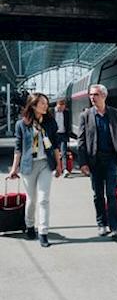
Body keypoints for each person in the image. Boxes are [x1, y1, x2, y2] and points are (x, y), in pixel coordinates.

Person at [78, 84, 117, 239]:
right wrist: (82, 163)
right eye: (90, 95)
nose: (92, 97)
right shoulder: (86, 115)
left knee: (112, 194)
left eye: (95, 94)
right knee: (98, 195)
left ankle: (114, 227)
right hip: (94, 161)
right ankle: (101, 224)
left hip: (111, 160)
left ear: (104, 95)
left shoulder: (115, 113)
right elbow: (81, 141)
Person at [8, 93, 62, 248]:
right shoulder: (21, 124)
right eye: (42, 103)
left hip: (46, 164)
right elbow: (18, 149)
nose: (46, 105)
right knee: (31, 200)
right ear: (33, 105)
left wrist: (59, 165)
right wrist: (14, 169)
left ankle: (43, 233)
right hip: (28, 166)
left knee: (44, 199)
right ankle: (30, 225)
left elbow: (56, 145)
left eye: (46, 103)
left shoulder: (50, 123)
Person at [54, 98, 71, 176]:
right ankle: (55, 168)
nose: (62, 108)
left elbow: (68, 124)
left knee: (63, 152)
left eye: (63, 107)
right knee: (53, 151)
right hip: (54, 135)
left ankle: (64, 169)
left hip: (63, 134)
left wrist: (68, 135)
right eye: (60, 107)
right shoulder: (51, 112)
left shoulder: (66, 113)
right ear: (57, 105)